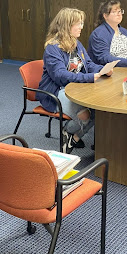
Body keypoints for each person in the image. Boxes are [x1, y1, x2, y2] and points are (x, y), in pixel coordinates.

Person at [38, 8, 112, 154]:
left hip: (77, 88)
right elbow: (60, 76)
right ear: (67, 25)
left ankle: (73, 137)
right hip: (57, 91)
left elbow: (89, 64)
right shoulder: (53, 48)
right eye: (78, 23)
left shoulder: (76, 43)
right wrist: (89, 77)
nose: (82, 27)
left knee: (101, 111)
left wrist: (103, 69)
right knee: (86, 115)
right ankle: (69, 133)